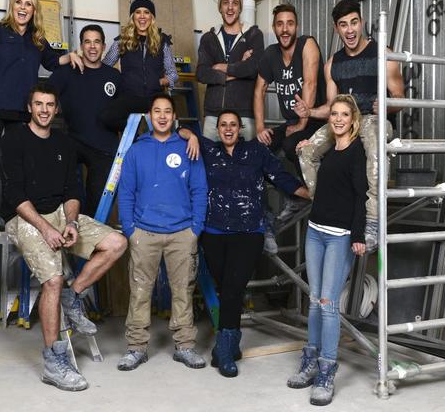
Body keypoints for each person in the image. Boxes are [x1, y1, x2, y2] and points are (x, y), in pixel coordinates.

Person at [0, 83, 127, 391]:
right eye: (39, 104)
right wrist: (46, 229)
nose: (44, 110)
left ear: (56, 109)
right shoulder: (14, 138)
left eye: (50, 105)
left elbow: (74, 190)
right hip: (24, 217)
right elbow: (14, 193)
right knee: (53, 279)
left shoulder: (64, 143)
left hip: (60, 213)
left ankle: (76, 293)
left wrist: (69, 222)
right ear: (30, 107)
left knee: (116, 243)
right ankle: (53, 360)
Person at [179, 110, 309, 378]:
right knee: (224, 286)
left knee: (233, 287)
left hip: (248, 232)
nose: (228, 129)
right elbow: (177, 128)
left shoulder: (256, 152)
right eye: (223, 125)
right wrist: (191, 134)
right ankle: (229, 344)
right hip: (213, 232)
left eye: (233, 125)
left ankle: (225, 349)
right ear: (217, 130)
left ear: (240, 129)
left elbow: (279, 176)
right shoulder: (208, 149)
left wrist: (308, 192)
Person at [0, 0, 84, 242]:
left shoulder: (36, 38)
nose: (23, 8)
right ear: (12, 6)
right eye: (19, 2)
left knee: (15, 168)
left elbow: (52, 61)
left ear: (33, 10)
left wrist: (70, 56)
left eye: (29, 4)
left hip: (20, 114)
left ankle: (12, 216)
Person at [294, 0, 404, 251]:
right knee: (306, 150)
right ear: (337, 29)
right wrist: (309, 111)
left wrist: (387, 104)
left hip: (374, 120)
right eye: (344, 25)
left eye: (354, 22)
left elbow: (400, 96)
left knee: (375, 154)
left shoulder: (384, 54)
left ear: (362, 22)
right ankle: (325, 203)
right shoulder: (333, 64)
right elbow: (331, 107)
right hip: (344, 119)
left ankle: (373, 222)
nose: (350, 29)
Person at [117, 93, 207, 371]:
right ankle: (136, 348)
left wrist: (195, 229)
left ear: (174, 117)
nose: (163, 116)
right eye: (157, 111)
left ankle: (185, 346)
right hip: (144, 232)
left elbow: (200, 189)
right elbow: (126, 192)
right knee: (140, 291)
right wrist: (131, 230)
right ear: (149, 116)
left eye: (168, 111)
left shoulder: (187, 147)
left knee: (183, 290)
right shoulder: (136, 151)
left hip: (182, 232)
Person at [287, 94, 367, 406]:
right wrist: (305, 150)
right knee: (315, 300)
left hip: (339, 237)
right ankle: (309, 359)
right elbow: (322, 184)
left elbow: (362, 196)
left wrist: (358, 235)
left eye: (343, 115)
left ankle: (326, 369)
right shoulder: (331, 151)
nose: (337, 119)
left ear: (353, 119)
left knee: (328, 302)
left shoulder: (357, 152)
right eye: (334, 114)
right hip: (315, 231)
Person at [253, 3, 327, 223]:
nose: (285, 29)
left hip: (317, 118)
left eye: (290, 23)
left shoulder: (307, 44)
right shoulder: (270, 54)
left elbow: (311, 83)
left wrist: (303, 123)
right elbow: (259, 90)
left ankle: (317, 192)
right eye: (280, 24)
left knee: (290, 143)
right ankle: (295, 194)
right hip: (293, 121)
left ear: (297, 26)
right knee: (256, 151)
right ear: (274, 28)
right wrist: (259, 128)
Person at [47, 24, 121, 217]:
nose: (92, 47)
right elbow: (43, 96)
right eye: (87, 42)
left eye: (97, 42)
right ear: (81, 46)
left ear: (104, 46)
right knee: (68, 195)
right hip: (75, 142)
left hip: (105, 150)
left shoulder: (114, 77)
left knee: (97, 209)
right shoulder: (67, 72)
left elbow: (127, 111)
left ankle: (93, 242)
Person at [100, 0, 178, 132]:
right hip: (129, 96)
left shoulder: (162, 41)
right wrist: (118, 81)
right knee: (106, 117)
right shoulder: (122, 41)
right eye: (138, 12)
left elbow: (173, 73)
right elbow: (105, 66)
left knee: (166, 129)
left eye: (146, 12)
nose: (142, 16)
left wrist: (159, 82)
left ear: (152, 16)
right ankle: (135, 135)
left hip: (154, 98)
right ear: (132, 16)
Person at [196, 0, 264, 141]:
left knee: (246, 162)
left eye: (235, 3)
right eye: (225, 3)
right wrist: (239, 67)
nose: (230, 7)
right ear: (220, 7)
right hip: (214, 114)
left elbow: (253, 68)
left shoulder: (254, 35)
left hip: (244, 113)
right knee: (211, 161)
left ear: (240, 8)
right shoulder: (209, 38)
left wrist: (222, 67)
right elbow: (202, 73)